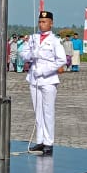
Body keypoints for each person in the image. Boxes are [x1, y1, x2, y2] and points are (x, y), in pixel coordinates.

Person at [20, 10, 68, 156]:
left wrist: (45, 71)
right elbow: (22, 54)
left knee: (48, 112)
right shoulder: (33, 38)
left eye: (45, 22)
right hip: (34, 79)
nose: (42, 24)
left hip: (48, 80)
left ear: (51, 23)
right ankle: (40, 140)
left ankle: (48, 142)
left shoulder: (55, 40)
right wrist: (30, 55)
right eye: (40, 21)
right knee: (38, 112)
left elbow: (62, 60)